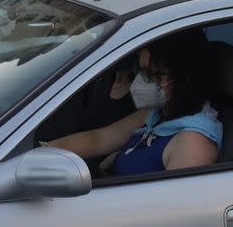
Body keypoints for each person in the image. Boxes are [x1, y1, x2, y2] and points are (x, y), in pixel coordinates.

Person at [45, 29, 222, 176]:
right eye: (144, 72)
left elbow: (171, 211)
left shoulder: (193, 144)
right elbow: (98, 139)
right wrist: (44, 152)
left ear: (183, 78)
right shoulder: (157, 115)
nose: (146, 81)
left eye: (155, 75)